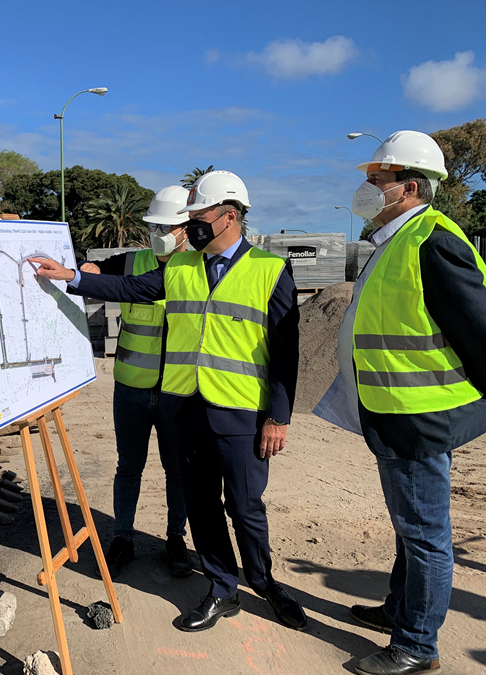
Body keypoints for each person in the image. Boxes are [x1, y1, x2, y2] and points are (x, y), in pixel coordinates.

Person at [30, 170, 307, 632]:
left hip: (240, 412)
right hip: (185, 408)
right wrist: (70, 277)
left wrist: (278, 417)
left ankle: (264, 581)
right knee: (201, 504)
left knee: (245, 506)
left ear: (229, 216)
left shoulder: (270, 270)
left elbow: (286, 351)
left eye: (199, 217)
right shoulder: (179, 267)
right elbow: (129, 288)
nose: (192, 225)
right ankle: (223, 588)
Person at [315, 130, 486, 675]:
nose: (366, 187)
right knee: (408, 524)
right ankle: (398, 609)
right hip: (393, 412)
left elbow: (479, 328)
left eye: (376, 179)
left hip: (420, 418)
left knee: (425, 534)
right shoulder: (396, 238)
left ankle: (417, 645)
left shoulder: (433, 239)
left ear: (407, 186)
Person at [71, 185, 191, 578]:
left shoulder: (198, 270)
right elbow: (101, 275)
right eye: (155, 224)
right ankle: (122, 536)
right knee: (128, 467)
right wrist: (88, 270)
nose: (160, 231)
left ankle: (176, 538)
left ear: (187, 227)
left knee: (178, 471)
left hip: (177, 393)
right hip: (131, 389)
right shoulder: (133, 261)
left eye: (168, 225)